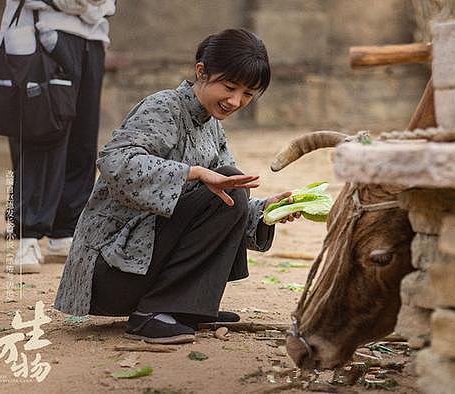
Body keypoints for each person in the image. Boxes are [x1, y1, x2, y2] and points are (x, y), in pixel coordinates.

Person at [54, 28, 301, 344]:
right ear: (201, 71)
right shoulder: (164, 106)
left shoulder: (211, 125)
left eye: (247, 94)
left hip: (140, 269)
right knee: (228, 182)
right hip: (109, 270)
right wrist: (193, 173)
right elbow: (115, 162)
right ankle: (153, 314)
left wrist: (268, 212)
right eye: (229, 87)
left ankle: (188, 307)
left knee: (234, 188)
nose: (235, 101)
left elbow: (222, 198)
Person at [0, 0, 116, 273]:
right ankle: (27, 237)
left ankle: (65, 231)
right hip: (43, 33)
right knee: (42, 132)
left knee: (83, 139)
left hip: (92, 37)